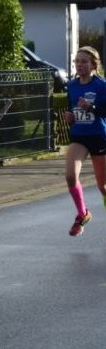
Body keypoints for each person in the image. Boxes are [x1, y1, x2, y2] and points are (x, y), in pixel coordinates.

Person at [63, 46, 106, 236]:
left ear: (93, 65)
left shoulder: (102, 85)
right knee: (71, 176)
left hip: (98, 136)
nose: (79, 65)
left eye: (84, 62)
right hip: (79, 136)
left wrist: (92, 107)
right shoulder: (71, 86)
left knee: (103, 186)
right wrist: (71, 116)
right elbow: (72, 107)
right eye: (77, 61)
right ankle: (83, 214)